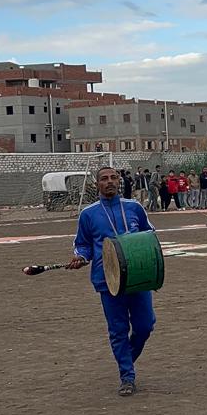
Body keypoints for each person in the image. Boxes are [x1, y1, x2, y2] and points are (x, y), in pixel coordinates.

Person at [66, 165, 156, 396]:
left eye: (113, 178)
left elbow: (149, 234)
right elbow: (83, 244)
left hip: (138, 276)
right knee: (118, 330)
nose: (109, 182)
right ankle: (127, 376)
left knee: (145, 326)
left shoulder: (134, 207)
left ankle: (125, 359)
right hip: (108, 279)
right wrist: (81, 256)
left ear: (119, 181)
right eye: (104, 179)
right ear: (97, 184)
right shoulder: (88, 214)